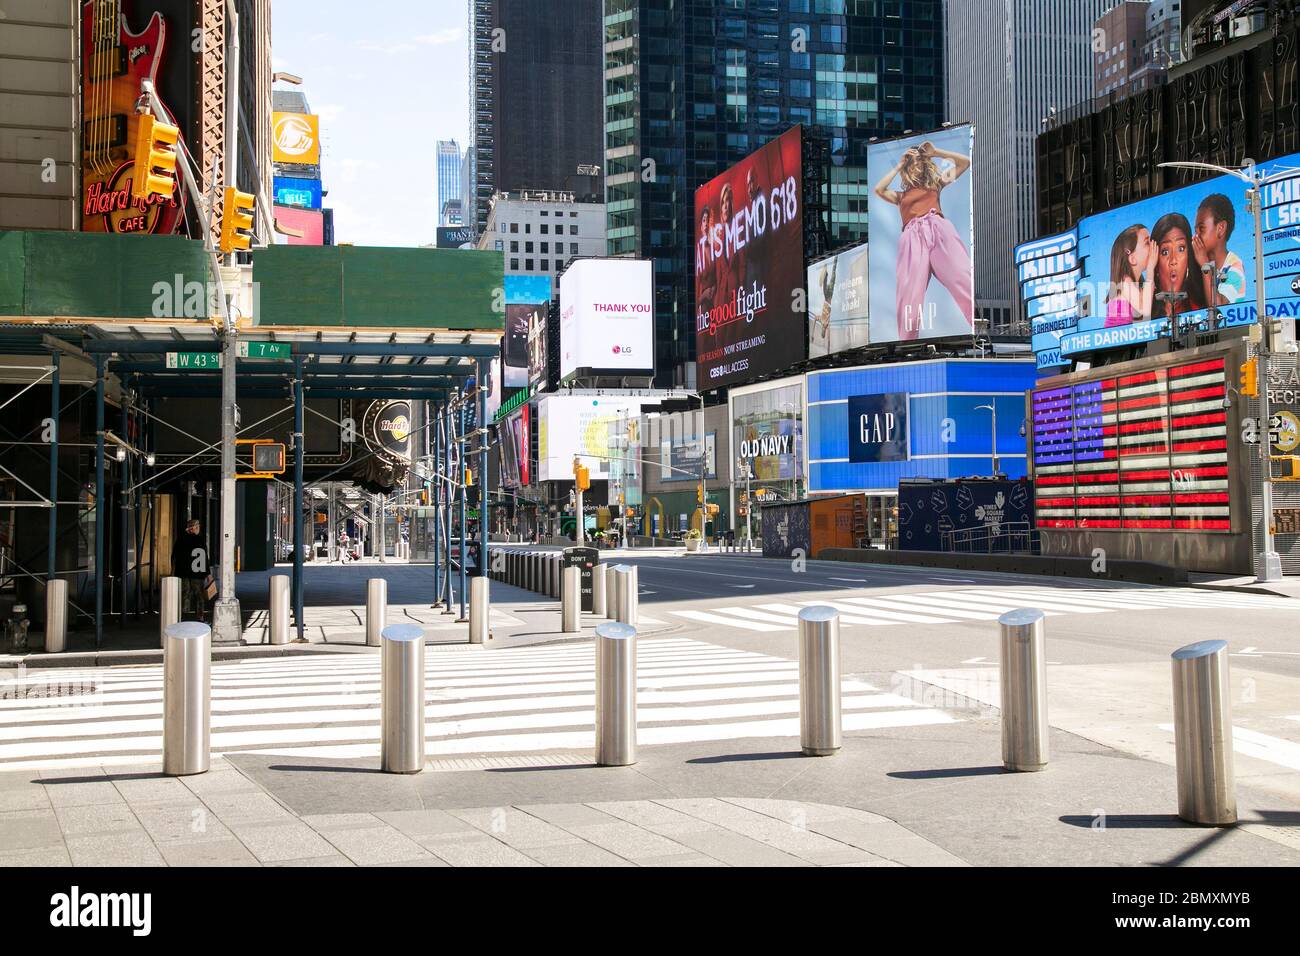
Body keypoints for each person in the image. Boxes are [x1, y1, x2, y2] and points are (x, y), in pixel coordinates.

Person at [874, 140, 975, 340]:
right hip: (912, 237)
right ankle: (907, 344)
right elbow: (879, 189)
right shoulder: (900, 196)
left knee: (962, 278)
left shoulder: (936, 184)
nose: (917, 164)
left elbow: (965, 162)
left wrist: (935, 152)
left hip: (939, 228)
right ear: (907, 167)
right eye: (913, 162)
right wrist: (899, 164)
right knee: (909, 295)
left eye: (920, 160)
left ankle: (978, 330)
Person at [1192, 193, 1246, 307]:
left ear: (1221, 228)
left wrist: (1204, 265)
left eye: (1201, 229)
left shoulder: (1235, 267)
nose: (1195, 236)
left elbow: (1218, 308)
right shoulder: (1197, 264)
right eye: (1195, 230)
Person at [1152, 212, 1208, 318]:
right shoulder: (1144, 306)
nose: (1173, 260)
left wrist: (1205, 266)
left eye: (1181, 249)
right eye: (1165, 252)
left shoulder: (1198, 306)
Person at [1105, 225, 1159, 327]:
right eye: (1147, 242)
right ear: (1132, 258)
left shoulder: (1138, 285)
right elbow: (1145, 311)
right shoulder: (1124, 281)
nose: (1152, 245)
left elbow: (1142, 322)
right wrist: (1150, 268)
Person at [171, 518, 209, 623]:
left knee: (185, 594)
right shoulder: (200, 540)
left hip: (183, 573)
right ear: (193, 528)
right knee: (199, 596)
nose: (198, 529)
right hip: (197, 573)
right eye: (197, 527)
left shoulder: (181, 540)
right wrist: (208, 574)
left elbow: (174, 556)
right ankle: (200, 618)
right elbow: (204, 557)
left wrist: (174, 571)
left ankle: (184, 617)